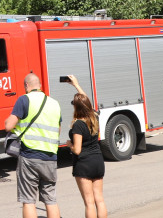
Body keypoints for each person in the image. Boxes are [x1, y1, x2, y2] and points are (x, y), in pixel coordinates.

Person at [4, 73, 63, 218]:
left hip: (29, 157)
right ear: (40, 86)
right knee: (50, 200)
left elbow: (8, 126)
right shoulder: (54, 103)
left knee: (29, 201)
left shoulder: (24, 100)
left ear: (26, 86)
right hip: (50, 158)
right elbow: (58, 130)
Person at [65, 75, 106, 218]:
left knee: (89, 202)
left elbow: (77, 149)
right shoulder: (95, 118)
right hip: (98, 161)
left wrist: (69, 144)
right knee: (99, 199)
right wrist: (76, 84)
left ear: (76, 107)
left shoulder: (78, 125)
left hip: (84, 164)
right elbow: (86, 101)